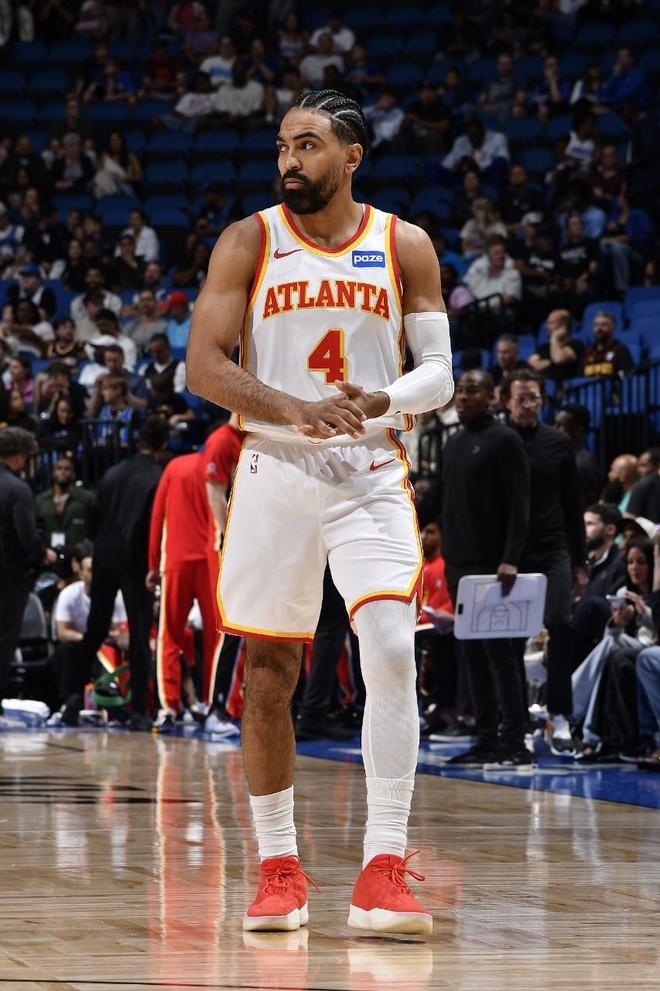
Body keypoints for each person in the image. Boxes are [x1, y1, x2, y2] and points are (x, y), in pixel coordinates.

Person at [186, 89, 453, 935]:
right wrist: (293, 408)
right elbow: (203, 364)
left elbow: (440, 374)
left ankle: (383, 867)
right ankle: (278, 868)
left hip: (369, 465)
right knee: (269, 670)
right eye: (281, 147)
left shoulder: (402, 243)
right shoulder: (250, 239)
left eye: (306, 145)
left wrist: (379, 399)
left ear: (351, 155)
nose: (288, 161)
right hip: (275, 464)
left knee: (391, 649)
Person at [440, 371, 531, 766]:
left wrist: (511, 557)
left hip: (493, 567)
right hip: (458, 566)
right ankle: (486, 737)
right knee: (472, 656)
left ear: (492, 396)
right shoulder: (453, 443)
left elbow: (520, 505)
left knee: (501, 655)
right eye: (459, 390)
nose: (463, 397)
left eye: (472, 391)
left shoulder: (505, 439)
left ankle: (516, 741)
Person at [60, 417, 170, 729]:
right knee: (139, 635)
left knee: (95, 630)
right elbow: (154, 524)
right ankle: (139, 711)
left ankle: (72, 698)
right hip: (137, 561)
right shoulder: (158, 475)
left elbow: (92, 519)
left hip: (105, 558)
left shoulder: (112, 473)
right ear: (162, 446)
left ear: (139, 442)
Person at [502, 369, 587, 756]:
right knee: (510, 637)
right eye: (521, 398)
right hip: (512, 552)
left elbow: (573, 504)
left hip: (554, 548)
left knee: (560, 624)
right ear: (507, 401)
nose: (528, 405)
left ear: (542, 400)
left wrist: (580, 560)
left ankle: (560, 714)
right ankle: (518, 720)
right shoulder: (499, 441)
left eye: (534, 398)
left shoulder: (558, 442)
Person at [147, 452, 222, 731]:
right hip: (210, 560)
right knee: (216, 638)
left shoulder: (174, 466)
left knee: (170, 636)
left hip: (176, 560)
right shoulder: (219, 464)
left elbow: (158, 515)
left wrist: (153, 564)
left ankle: (169, 706)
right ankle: (215, 705)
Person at [0, 428, 56, 709]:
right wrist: (43, 553)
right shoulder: (18, 489)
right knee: (3, 641)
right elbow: (27, 536)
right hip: (8, 577)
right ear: (19, 456)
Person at [35, 456, 93, 550]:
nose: (62, 471)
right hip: (49, 552)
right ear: (53, 473)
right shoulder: (41, 500)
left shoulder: (85, 498)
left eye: (67, 469)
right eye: (59, 468)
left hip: (77, 552)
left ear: (73, 474)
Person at [554, 403, 602, 509]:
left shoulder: (582, 464)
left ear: (578, 431)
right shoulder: (566, 458)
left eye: (560, 426)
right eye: (555, 424)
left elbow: (586, 507)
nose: (554, 429)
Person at [528, 308, 583, 384]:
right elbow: (531, 364)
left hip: (565, 388)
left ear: (563, 326)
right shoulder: (545, 347)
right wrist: (551, 362)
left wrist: (554, 338)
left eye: (550, 323)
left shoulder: (576, 345)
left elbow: (558, 359)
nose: (546, 327)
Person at [579, 310, 634, 378]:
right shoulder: (587, 352)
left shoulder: (620, 349)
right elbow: (580, 378)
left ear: (613, 328)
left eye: (604, 325)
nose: (599, 328)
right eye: (596, 325)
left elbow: (627, 376)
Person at [627, 449, 660, 523]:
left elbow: (629, 518)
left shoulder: (643, 484)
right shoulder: (642, 484)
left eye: (643, 465)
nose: (638, 470)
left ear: (658, 465)